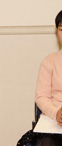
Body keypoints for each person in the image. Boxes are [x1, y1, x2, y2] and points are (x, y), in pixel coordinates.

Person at [31, 10, 62, 145]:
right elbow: (41, 97)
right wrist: (56, 113)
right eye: (61, 29)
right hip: (53, 122)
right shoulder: (49, 61)